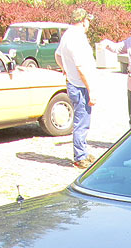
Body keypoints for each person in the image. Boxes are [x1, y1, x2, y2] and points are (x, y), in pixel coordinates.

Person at [56, 9, 99, 168]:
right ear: (84, 21)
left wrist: (65, 70)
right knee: (82, 121)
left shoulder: (67, 34)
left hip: (74, 83)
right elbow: (81, 66)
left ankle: (83, 153)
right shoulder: (77, 38)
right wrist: (91, 89)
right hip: (80, 86)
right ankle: (80, 157)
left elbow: (58, 55)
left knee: (82, 119)